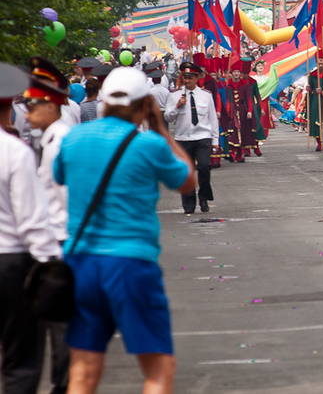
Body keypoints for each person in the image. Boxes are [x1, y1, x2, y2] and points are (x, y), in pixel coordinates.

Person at [54, 67, 196, 394]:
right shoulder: (149, 145)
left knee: (83, 370)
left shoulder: (73, 137)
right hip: (131, 263)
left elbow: (58, 175)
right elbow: (188, 181)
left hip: (81, 263)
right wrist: (162, 130)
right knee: (158, 368)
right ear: (144, 105)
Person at [0, 62, 62, 394]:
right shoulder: (13, 151)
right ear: (10, 105)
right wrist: (51, 264)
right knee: (20, 360)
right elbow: (31, 220)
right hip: (11, 261)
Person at [22, 58, 72, 394]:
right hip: (53, 244)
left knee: (62, 327)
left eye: (32, 105)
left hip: (60, 245)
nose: (26, 113)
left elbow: (67, 202)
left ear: (51, 104)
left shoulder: (61, 142)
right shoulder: (50, 139)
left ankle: (65, 385)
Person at [164, 62, 218, 214]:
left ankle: (203, 197)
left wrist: (215, 141)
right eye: (185, 77)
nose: (187, 81)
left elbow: (213, 119)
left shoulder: (206, 95)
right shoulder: (174, 95)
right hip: (183, 138)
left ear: (196, 78)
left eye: (190, 78)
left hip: (202, 137)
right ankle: (188, 202)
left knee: (204, 167)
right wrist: (177, 106)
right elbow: (167, 117)